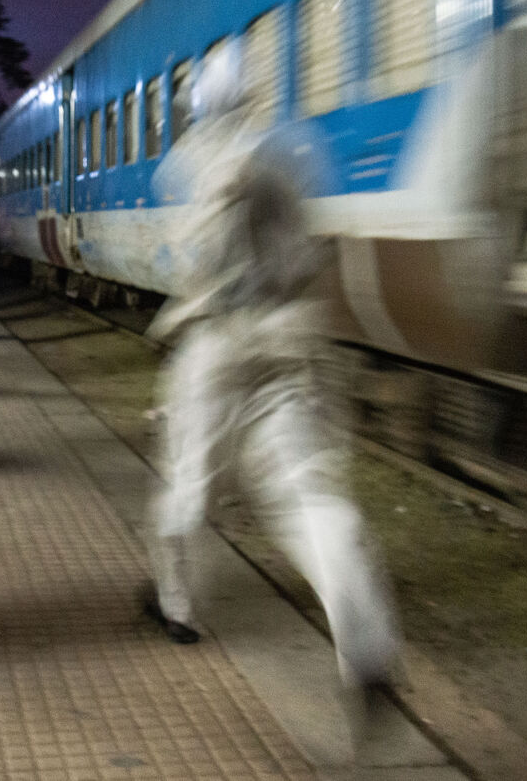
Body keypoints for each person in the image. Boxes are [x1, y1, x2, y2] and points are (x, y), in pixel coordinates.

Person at [142, 42, 400, 720]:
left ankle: (175, 606)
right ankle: (365, 647)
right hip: (290, 339)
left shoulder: (188, 164)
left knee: (191, 484)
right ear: (252, 96)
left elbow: (192, 258)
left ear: (199, 104)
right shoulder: (290, 150)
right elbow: (312, 244)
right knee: (308, 493)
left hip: (218, 345)